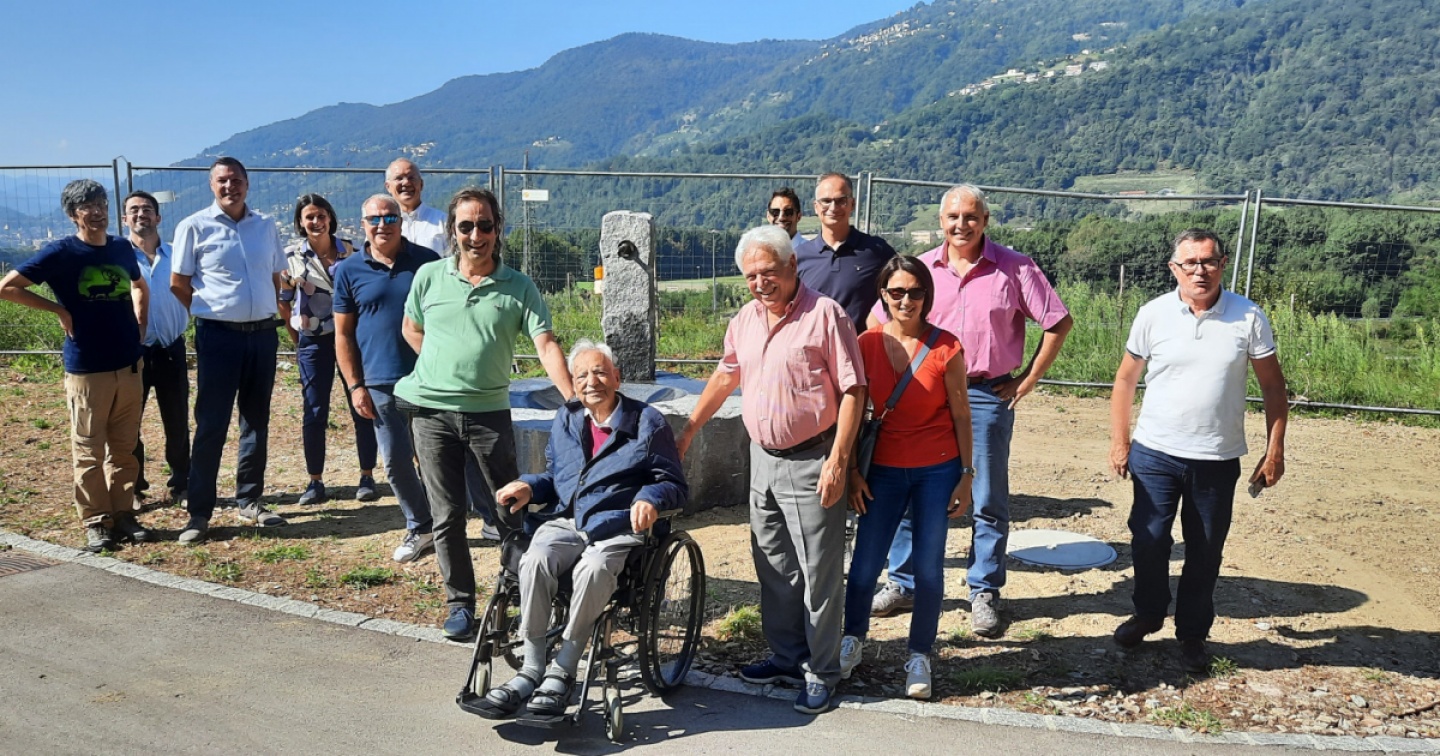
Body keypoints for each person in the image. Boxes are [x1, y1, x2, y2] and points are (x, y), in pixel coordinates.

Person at [869, 185, 1072, 638]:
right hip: (922, 396)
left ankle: (983, 591)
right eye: (953, 217)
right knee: (910, 489)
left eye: (971, 216)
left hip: (984, 395)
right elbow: (876, 321)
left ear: (985, 221)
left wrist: (1027, 380)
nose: (962, 225)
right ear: (941, 221)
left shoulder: (1015, 268)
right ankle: (903, 583)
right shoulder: (921, 270)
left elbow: (1058, 322)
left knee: (986, 498)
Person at [679, 224, 865, 715]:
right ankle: (787, 656)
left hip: (814, 459)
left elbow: (854, 390)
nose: (760, 283)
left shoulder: (826, 315)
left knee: (819, 573)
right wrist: (689, 430)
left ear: (792, 266)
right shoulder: (745, 319)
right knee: (774, 565)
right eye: (751, 276)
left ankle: (822, 670)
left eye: (768, 272)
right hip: (762, 459)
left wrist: (839, 460)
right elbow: (726, 374)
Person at [395, 187, 573, 642]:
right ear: (452, 231)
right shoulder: (429, 277)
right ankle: (460, 605)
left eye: (485, 225)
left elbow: (546, 344)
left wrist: (574, 400)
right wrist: (441, 367)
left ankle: (515, 590)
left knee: (507, 507)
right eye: (466, 226)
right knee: (447, 514)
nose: (476, 235)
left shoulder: (519, 286)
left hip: (487, 414)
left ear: (498, 229)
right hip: (430, 413)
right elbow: (411, 327)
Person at [476, 340, 688, 720]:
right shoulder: (568, 417)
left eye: (600, 372)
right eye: (582, 376)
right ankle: (531, 668)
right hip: (568, 519)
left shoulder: (647, 422)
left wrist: (649, 498)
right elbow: (556, 478)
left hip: (616, 524)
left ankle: (564, 667)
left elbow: (673, 483)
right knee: (535, 558)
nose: (592, 382)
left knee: (594, 568)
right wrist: (528, 486)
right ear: (573, 384)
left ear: (617, 378)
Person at [1109, 228, 1289, 673]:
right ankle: (1148, 614)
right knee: (1149, 539)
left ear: (1223, 264)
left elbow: (1272, 386)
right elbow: (1126, 379)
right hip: (1155, 452)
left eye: (1209, 261)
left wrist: (1275, 450)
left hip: (1217, 457)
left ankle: (1192, 634)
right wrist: (1120, 440)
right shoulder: (1153, 314)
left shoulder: (1248, 317)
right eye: (1189, 262)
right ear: (1174, 268)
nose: (1200, 271)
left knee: (1205, 550)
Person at [840, 256, 974, 700]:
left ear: (926, 296)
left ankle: (920, 655)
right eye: (896, 292)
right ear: (883, 294)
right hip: (881, 471)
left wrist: (966, 475)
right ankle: (852, 639)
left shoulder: (946, 347)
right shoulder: (866, 343)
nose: (906, 300)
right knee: (864, 566)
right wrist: (852, 471)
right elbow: (853, 410)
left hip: (937, 469)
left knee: (929, 570)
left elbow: (961, 414)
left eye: (915, 292)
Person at [0, 180, 148, 551]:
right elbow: (7, 287)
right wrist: (58, 310)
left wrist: (140, 324)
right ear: (72, 214)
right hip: (87, 368)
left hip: (129, 364)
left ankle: (123, 513)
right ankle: (97, 520)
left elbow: (138, 285)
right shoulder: (61, 252)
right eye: (87, 206)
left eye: (101, 204)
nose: (96, 212)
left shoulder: (120, 247)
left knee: (125, 447)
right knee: (88, 449)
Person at [171, 157, 288, 544]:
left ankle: (250, 500)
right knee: (212, 423)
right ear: (212, 185)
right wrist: (210, 312)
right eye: (222, 180)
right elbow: (178, 283)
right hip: (218, 337)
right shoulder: (194, 226)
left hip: (262, 336)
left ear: (247, 183)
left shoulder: (265, 225)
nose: (229, 187)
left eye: (236, 180)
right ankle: (199, 512)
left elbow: (276, 276)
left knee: (256, 420)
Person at [334, 194, 441, 563]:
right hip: (379, 382)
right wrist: (355, 385)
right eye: (375, 219)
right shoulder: (349, 270)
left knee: (435, 458)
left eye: (390, 218)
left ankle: (445, 524)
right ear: (363, 224)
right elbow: (343, 334)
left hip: (429, 379)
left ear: (401, 221)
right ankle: (421, 526)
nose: (383, 225)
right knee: (395, 461)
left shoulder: (428, 262)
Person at [278, 194, 378, 507]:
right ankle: (315, 481)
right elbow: (284, 302)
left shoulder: (352, 251)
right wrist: (298, 338)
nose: (316, 222)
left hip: (352, 339)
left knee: (361, 404)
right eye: (309, 217)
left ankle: (367, 475)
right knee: (314, 410)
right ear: (300, 222)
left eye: (321, 215)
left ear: (330, 218)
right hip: (313, 341)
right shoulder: (290, 256)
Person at [124, 190, 190, 506]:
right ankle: (133, 487)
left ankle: (182, 483)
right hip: (131, 352)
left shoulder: (178, 255)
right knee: (129, 422)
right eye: (134, 210)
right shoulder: (118, 257)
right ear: (125, 218)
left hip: (171, 349)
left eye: (147, 209)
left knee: (177, 420)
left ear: (158, 217)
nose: (141, 214)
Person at [793, 172, 896, 330]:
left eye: (841, 200)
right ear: (816, 207)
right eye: (826, 201)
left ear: (852, 204)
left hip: (861, 345)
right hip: (813, 345)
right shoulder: (799, 257)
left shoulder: (877, 251)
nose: (833, 207)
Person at [386, 158, 447, 254]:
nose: (406, 183)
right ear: (388, 187)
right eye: (399, 178)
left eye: (411, 178)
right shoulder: (382, 224)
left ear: (421, 184)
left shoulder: (443, 221)